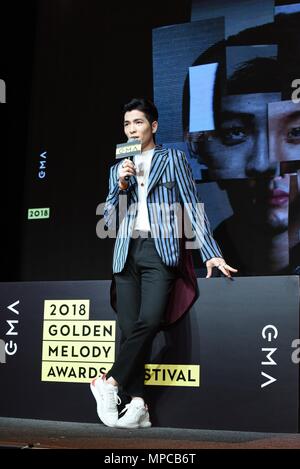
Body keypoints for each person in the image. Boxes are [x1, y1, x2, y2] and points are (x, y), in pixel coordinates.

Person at [90, 97, 237, 429]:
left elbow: (191, 204)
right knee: (128, 330)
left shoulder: (173, 159)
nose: (132, 129)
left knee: (151, 319)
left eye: (138, 123)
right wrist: (121, 185)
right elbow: (110, 221)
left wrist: (211, 251)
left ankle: (109, 382)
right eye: (127, 124)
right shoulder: (118, 168)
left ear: (153, 126)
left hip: (160, 249)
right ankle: (139, 405)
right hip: (127, 252)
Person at [182, 15, 300, 275]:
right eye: (235, 132)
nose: (264, 163)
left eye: (295, 132)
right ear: (196, 146)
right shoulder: (184, 268)